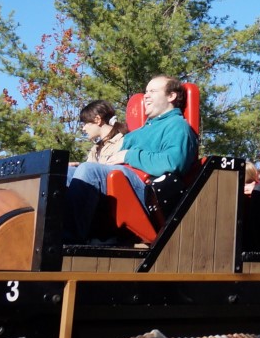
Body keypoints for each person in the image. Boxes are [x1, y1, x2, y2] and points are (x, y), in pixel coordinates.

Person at [66, 75, 198, 242]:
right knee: (66, 173)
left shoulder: (177, 126)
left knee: (88, 170)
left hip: (148, 192)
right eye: (146, 92)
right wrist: (78, 167)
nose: (146, 96)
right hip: (120, 179)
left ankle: (68, 240)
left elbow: (173, 163)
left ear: (171, 96)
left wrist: (130, 155)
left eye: (153, 91)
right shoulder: (138, 133)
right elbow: (106, 162)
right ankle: (51, 231)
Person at [77, 100, 128, 166]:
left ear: (97, 120)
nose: (83, 128)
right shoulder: (95, 150)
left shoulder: (122, 142)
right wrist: (77, 166)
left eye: (85, 123)